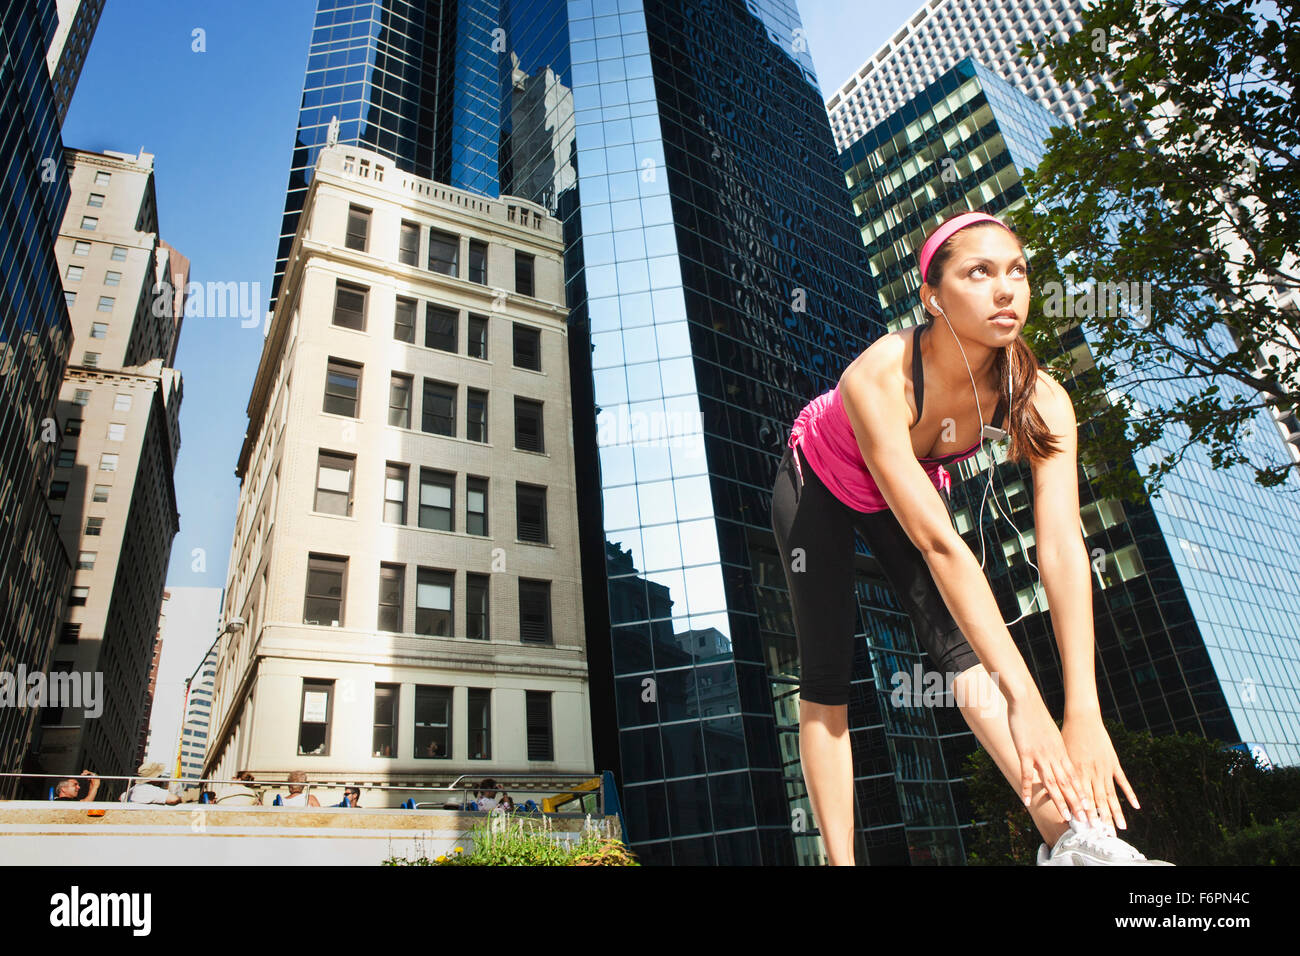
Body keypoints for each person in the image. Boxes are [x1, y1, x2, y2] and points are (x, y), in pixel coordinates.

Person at [771, 211, 1171, 867]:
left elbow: (1063, 546)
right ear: (932, 296)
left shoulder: (1042, 398)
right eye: (978, 272)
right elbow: (941, 546)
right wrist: (1027, 704)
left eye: (1016, 270)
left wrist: (1081, 711)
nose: (1006, 288)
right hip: (821, 478)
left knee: (963, 651)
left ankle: (1076, 842)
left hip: (909, 484)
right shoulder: (878, 375)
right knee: (827, 670)